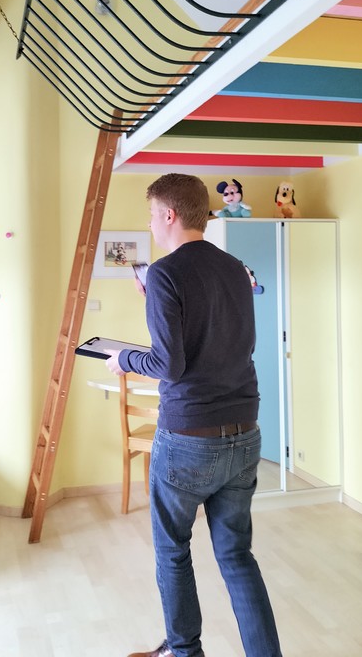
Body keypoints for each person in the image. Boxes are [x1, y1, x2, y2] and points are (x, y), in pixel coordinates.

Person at [105, 173, 282, 657]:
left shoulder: (164, 273)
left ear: (169, 215)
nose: (150, 224)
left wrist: (124, 359)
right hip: (244, 432)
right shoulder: (235, 268)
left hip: (189, 438)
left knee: (172, 551)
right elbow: (222, 335)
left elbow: (168, 364)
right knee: (237, 556)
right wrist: (157, 304)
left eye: (151, 214)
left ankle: (184, 652)